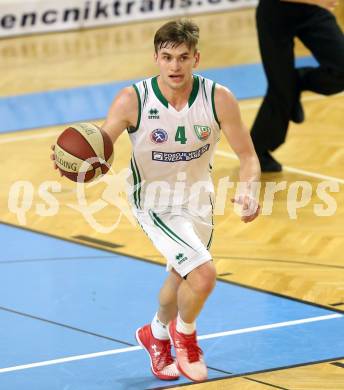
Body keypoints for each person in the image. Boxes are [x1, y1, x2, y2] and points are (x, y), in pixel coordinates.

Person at [52, 20, 261, 382]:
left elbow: (249, 157)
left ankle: (156, 334)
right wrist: (80, 162)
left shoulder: (219, 98)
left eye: (183, 57)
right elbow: (102, 147)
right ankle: (186, 337)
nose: (175, 66)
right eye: (167, 57)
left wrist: (250, 188)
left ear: (196, 58)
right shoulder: (133, 99)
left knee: (182, 277)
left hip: (198, 198)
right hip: (153, 200)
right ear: (156, 58)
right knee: (204, 274)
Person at [251, 0, 344, 172]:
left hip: (313, 11)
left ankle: (296, 82)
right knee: (281, 89)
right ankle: (257, 151)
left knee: (341, 69)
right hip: (275, 14)